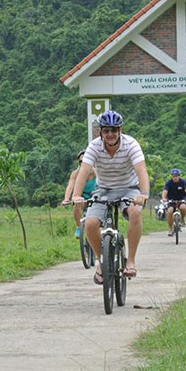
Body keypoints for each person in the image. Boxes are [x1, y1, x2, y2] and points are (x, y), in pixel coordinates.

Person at [72, 110, 150, 284]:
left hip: (129, 188)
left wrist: (143, 194)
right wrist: (77, 195)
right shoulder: (94, 146)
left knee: (136, 212)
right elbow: (84, 171)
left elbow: (141, 170)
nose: (110, 134)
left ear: (120, 130)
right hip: (104, 189)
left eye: (114, 130)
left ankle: (130, 261)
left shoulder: (131, 144)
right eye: (106, 131)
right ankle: (101, 261)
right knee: (90, 223)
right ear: (101, 132)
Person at [62, 150, 98, 238]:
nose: (83, 163)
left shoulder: (95, 172)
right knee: (76, 205)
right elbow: (70, 187)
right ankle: (79, 227)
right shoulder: (75, 173)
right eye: (81, 161)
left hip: (94, 196)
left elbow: (101, 182)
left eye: (86, 161)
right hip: (82, 197)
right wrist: (66, 199)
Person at [161, 169, 186, 236]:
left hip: (181, 200)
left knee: (183, 207)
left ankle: (182, 219)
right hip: (171, 201)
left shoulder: (183, 182)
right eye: (173, 176)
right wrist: (164, 198)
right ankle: (170, 229)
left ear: (179, 176)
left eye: (176, 176)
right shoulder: (168, 183)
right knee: (169, 211)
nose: (175, 177)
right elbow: (165, 191)